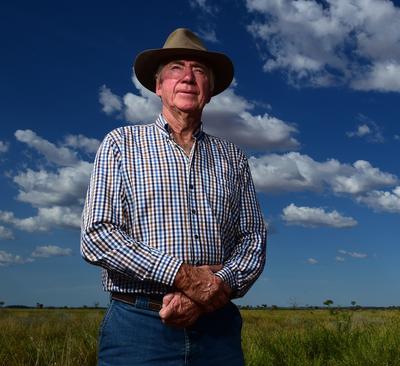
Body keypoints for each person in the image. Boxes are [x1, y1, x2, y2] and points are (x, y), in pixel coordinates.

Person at [81, 28, 267, 365]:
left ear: (210, 89)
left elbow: (253, 238)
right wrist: (183, 276)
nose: (188, 77)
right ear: (159, 86)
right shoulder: (121, 144)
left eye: (199, 70)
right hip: (138, 328)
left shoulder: (233, 156)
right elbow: (97, 235)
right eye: (175, 68)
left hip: (217, 329)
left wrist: (209, 291)